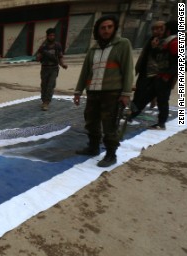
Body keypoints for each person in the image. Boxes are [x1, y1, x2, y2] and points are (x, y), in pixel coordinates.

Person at [73, 15, 134, 167]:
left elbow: (128, 70)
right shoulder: (93, 48)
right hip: (93, 92)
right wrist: (78, 91)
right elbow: (86, 71)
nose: (106, 30)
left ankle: (110, 154)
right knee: (91, 121)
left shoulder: (123, 44)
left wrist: (126, 93)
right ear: (98, 30)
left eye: (109, 27)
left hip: (111, 93)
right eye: (102, 28)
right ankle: (93, 147)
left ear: (114, 28)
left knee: (110, 125)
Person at [129, 20, 178, 130]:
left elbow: (179, 63)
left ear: (168, 30)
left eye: (163, 29)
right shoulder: (166, 41)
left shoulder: (174, 43)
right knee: (145, 97)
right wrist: (155, 48)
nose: (161, 31)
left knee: (162, 101)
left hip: (164, 78)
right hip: (159, 76)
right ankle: (131, 115)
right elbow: (159, 56)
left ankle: (161, 123)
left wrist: (168, 76)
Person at [131, 21, 165, 116]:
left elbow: (160, 58)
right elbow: (144, 55)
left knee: (143, 93)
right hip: (144, 70)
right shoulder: (151, 39)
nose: (155, 31)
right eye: (154, 29)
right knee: (139, 92)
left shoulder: (164, 41)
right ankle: (133, 111)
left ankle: (134, 112)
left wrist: (155, 48)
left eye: (159, 29)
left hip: (154, 72)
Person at [36, 28, 68, 111]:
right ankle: (43, 100)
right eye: (50, 35)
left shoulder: (57, 45)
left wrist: (63, 64)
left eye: (53, 35)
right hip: (45, 68)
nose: (52, 37)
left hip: (54, 68)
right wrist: (41, 54)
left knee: (51, 85)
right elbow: (38, 58)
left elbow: (60, 56)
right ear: (47, 36)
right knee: (44, 86)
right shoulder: (43, 46)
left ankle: (46, 102)